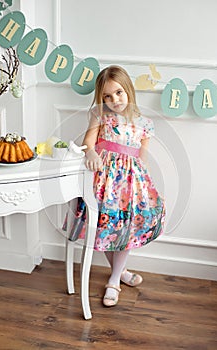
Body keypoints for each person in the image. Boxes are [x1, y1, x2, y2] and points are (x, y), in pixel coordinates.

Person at [64, 65, 165, 307]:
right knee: (105, 229)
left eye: (118, 92)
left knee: (126, 230)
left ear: (128, 89)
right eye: (107, 96)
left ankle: (114, 281)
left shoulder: (145, 123)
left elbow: (143, 156)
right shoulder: (100, 115)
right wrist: (91, 153)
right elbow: (89, 141)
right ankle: (121, 272)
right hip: (102, 182)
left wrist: (143, 186)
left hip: (130, 185)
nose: (114, 100)